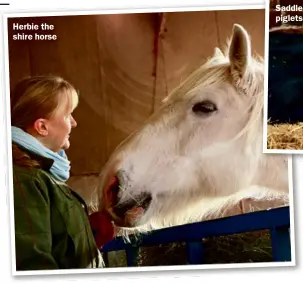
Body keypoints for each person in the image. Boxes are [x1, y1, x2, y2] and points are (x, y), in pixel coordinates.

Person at [11, 75, 115, 270]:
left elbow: (55, 243)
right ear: (42, 127)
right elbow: (34, 266)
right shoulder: (24, 180)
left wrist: (88, 232)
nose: (74, 123)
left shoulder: (45, 175)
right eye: (68, 116)